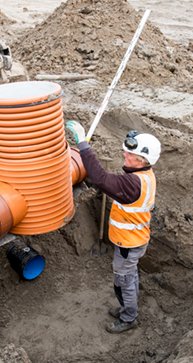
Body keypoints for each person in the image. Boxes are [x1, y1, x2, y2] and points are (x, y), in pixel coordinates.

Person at [66, 121, 161, 334]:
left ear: (143, 159)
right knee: (130, 276)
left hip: (129, 243)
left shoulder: (133, 184)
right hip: (134, 239)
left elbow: (100, 178)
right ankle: (126, 310)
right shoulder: (144, 176)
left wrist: (82, 142)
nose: (124, 155)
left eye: (130, 154)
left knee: (124, 281)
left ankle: (129, 317)